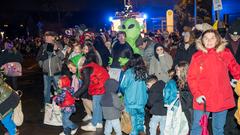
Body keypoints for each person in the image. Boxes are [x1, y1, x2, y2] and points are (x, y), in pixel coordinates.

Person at [187, 29, 240, 135]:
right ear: (202, 41)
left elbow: (236, 70)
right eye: (206, 38)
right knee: (197, 127)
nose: (209, 41)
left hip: (221, 97)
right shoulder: (197, 56)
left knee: (219, 129)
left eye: (212, 38)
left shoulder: (225, 53)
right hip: (203, 99)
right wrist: (197, 94)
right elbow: (191, 77)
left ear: (218, 40)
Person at [74, 52, 109, 131]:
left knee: (96, 105)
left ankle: (93, 124)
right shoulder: (90, 65)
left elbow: (85, 85)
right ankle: (99, 122)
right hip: (103, 83)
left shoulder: (85, 69)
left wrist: (75, 95)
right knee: (98, 105)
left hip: (100, 86)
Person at [120, 54, 148, 135]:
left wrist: (124, 93)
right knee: (140, 118)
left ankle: (134, 133)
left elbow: (122, 86)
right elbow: (147, 86)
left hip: (131, 101)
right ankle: (141, 130)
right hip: (142, 101)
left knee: (132, 121)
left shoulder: (128, 72)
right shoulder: (145, 73)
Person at [36, 31, 64, 109]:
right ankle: (47, 106)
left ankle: (60, 105)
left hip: (56, 72)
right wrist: (41, 65)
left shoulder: (59, 45)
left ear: (53, 37)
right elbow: (39, 57)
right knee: (46, 91)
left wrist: (57, 50)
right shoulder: (43, 46)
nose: (46, 38)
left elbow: (62, 56)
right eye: (45, 37)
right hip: (46, 72)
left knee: (58, 89)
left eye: (48, 37)